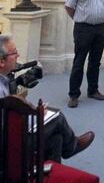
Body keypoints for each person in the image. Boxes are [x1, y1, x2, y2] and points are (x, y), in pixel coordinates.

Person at [0, 35, 94, 163]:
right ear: (2, 61)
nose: (18, 55)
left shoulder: (5, 80)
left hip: (13, 132)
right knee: (57, 117)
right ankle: (72, 146)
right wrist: (36, 114)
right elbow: (8, 123)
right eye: (14, 52)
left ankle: (50, 176)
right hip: (9, 144)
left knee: (56, 138)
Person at [65, 0, 104, 108]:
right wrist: (79, 19)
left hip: (100, 28)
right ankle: (73, 95)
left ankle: (93, 90)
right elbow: (69, 6)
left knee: (95, 62)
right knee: (79, 62)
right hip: (83, 28)